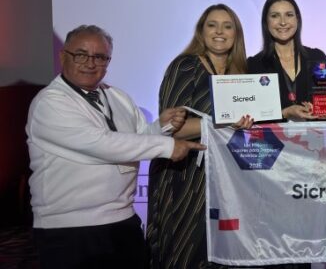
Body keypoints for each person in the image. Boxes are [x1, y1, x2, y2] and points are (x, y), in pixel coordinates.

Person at [27, 25, 204, 269]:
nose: (91, 63)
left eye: (100, 57)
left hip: (123, 222)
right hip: (70, 229)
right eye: (81, 55)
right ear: (63, 56)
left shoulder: (117, 96)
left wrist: (161, 127)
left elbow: (137, 138)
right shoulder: (49, 102)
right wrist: (168, 146)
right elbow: (101, 144)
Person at [147, 4, 253, 269]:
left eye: (227, 26)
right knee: (183, 252)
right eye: (212, 25)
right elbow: (172, 128)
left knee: (220, 255)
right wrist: (223, 121)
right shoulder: (186, 66)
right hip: (183, 176)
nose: (219, 32)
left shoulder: (239, 74)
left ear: (236, 34)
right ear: (201, 31)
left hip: (222, 179)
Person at [247, 0, 326, 122]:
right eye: (275, 16)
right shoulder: (254, 64)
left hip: (314, 134)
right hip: (274, 135)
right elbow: (252, 115)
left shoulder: (316, 57)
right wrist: (285, 113)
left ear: (297, 19)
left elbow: (325, 98)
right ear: (266, 22)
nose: (283, 22)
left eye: (289, 15)